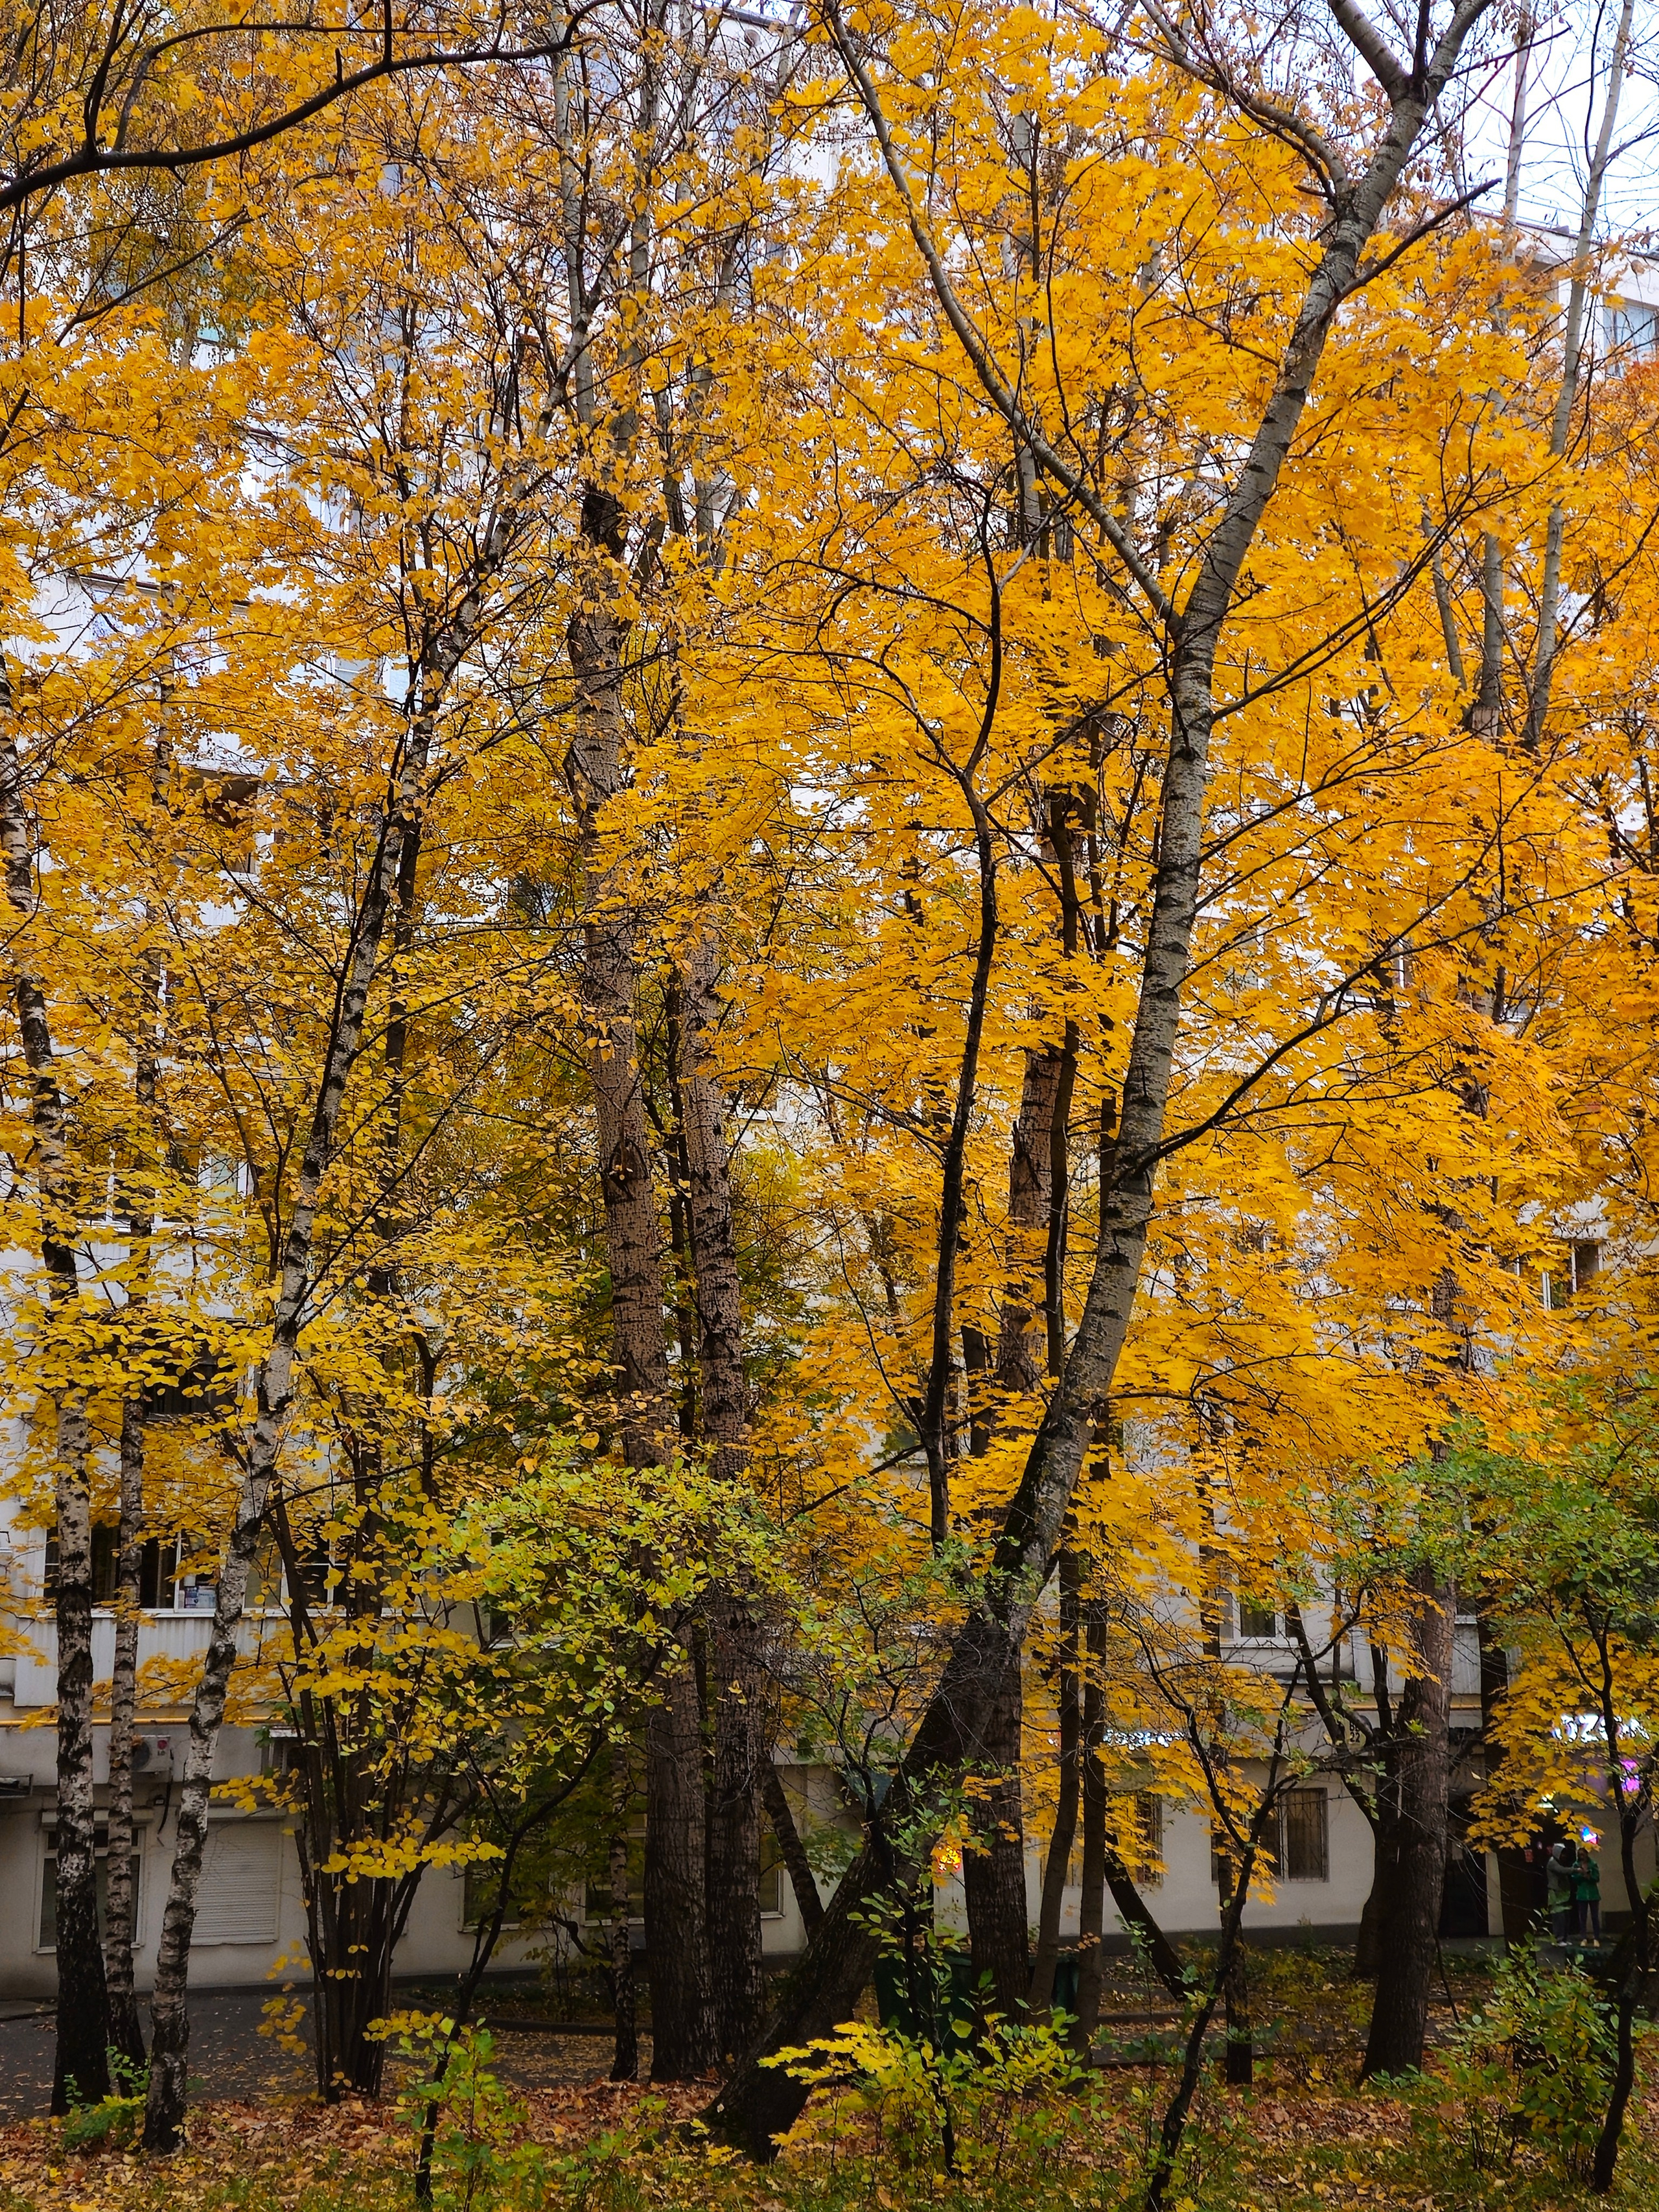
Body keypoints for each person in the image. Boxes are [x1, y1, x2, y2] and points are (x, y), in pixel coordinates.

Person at [1546, 1839, 1576, 1940]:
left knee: (1565, 1916)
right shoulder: (1553, 1863)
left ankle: (1564, 1937)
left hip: (1562, 1893)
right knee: (1559, 1916)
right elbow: (1562, 1871)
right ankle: (1558, 1938)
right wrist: (1576, 1870)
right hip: (1555, 1893)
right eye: (1562, 1853)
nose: (1564, 1856)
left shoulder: (1558, 1862)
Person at [1573, 1839, 1603, 1941]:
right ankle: (1583, 1937)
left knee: (1595, 1917)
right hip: (1581, 1894)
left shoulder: (1593, 1864)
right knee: (1583, 1917)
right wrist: (1581, 1875)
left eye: (1583, 1854)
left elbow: (1597, 1878)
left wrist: (1589, 1877)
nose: (1582, 1856)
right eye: (1580, 1854)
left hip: (1593, 1894)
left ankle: (1597, 1937)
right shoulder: (1576, 1865)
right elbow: (1574, 1879)